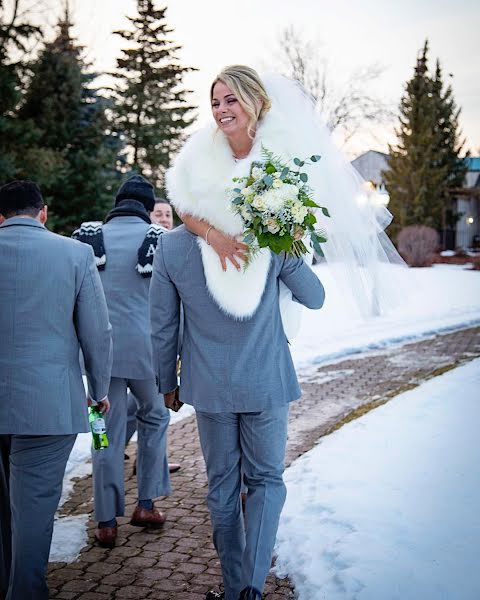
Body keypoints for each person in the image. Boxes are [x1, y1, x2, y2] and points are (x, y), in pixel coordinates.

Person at [152, 66, 326, 600]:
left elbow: (162, 326)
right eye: (216, 102)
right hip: (267, 383)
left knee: (222, 488)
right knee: (267, 482)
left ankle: (233, 590)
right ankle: (250, 588)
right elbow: (316, 298)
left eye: (231, 99)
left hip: (208, 387)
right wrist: (291, 244)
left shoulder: (175, 247)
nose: (222, 108)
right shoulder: (271, 237)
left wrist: (167, 383)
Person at [0, 180, 113, 600]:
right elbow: (97, 332)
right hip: (46, 404)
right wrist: (99, 388)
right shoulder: (75, 254)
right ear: (42, 213)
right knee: (32, 512)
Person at [74, 174, 171, 548]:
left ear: (116, 205)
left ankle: (105, 522)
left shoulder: (85, 239)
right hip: (149, 354)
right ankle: (145, 503)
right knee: (155, 417)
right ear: (148, 209)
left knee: (103, 434)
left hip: (100, 358)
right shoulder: (160, 239)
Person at [124, 196, 181, 474]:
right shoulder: (145, 247)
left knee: (127, 412)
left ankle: (119, 453)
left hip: (140, 351)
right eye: (158, 214)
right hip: (146, 351)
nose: (164, 219)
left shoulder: (171, 248)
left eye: (168, 215)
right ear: (147, 216)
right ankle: (147, 467)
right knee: (153, 412)